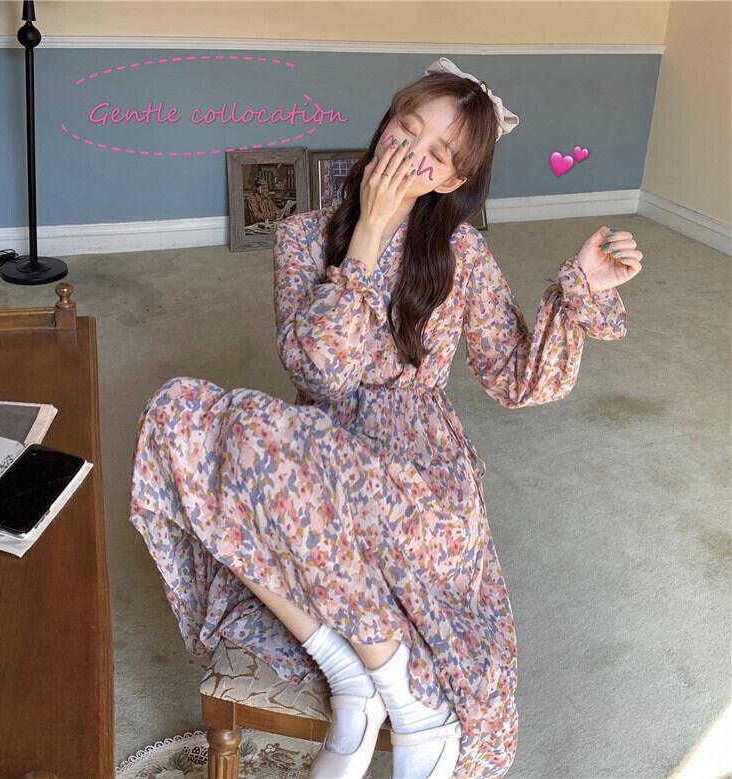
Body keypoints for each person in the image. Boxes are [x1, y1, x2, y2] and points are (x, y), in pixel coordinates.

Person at [128, 56, 641, 779]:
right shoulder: (303, 236)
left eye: (439, 154)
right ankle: (354, 677)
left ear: (452, 182)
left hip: (420, 487)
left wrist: (583, 285)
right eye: (408, 128)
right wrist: (368, 232)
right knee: (178, 411)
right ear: (385, 123)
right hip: (320, 457)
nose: (412, 155)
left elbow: (518, 380)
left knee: (252, 437)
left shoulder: (461, 253)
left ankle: (408, 700)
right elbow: (319, 372)